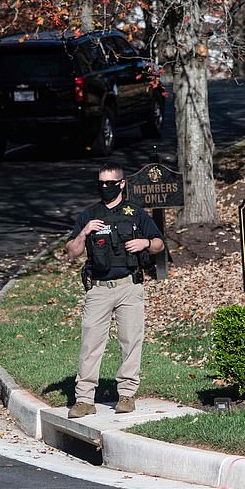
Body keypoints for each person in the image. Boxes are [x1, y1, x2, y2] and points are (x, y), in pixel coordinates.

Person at [65, 165, 164, 418]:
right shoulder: (89, 215)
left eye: (110, 183)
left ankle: (127, 395)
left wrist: (145, 243)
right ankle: (84, 399)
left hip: (129, 287)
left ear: (122, 184)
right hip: (98, 289)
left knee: (131, 341)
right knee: (91, 344)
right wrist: (85, 231)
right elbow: (72, 252)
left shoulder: (136, 214)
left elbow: (159, 243)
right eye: (101, 182)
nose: (105, 187)